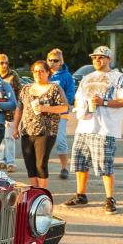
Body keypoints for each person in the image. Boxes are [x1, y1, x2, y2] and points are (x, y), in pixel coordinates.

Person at [63, 45, 123, 214]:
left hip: (104, 128)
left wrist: (105, 102)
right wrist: (81, 108)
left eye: (101, 57)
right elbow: (78, 98)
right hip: (85, 125)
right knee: (80, 162)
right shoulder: (87, 78)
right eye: (94, 58)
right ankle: (81, 194)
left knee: (105, 165)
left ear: (109, 59)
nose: (97, 60)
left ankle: (110, 198)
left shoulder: (118, 77)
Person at [12, 60, 68, 188]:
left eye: (42, 71)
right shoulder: (26, 89)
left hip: (46, 131)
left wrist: (45, 108)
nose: (38, 73)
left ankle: (42, 192)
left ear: (48, 72)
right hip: (27, 130)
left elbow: (64, 107)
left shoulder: (54, 88)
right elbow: (19, 108)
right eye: (35, 71)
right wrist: (15, 127)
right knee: (29, 163)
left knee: (41, 164)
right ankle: (34, 191)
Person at [47, 48, 76, 180]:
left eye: (55, 60)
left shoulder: (66, 76)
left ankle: (64, 168)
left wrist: (63, 103)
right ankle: (41, 166)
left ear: (61, 62)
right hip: (44, 113)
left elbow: (70, 94)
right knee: (43, 140)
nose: (52, 63)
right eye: (50, 60)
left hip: (60, 113)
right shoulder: (44, 73)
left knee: (60, 140)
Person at [0, 53, 21, 172]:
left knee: (9, 137)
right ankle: (1, 160)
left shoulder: (13, 75)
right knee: (0, 137)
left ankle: (10, 162)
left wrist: (18, 107)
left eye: (6, 62)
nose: (5, 65)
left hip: (10, 111)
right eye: (2, 62)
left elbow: (19, 91)